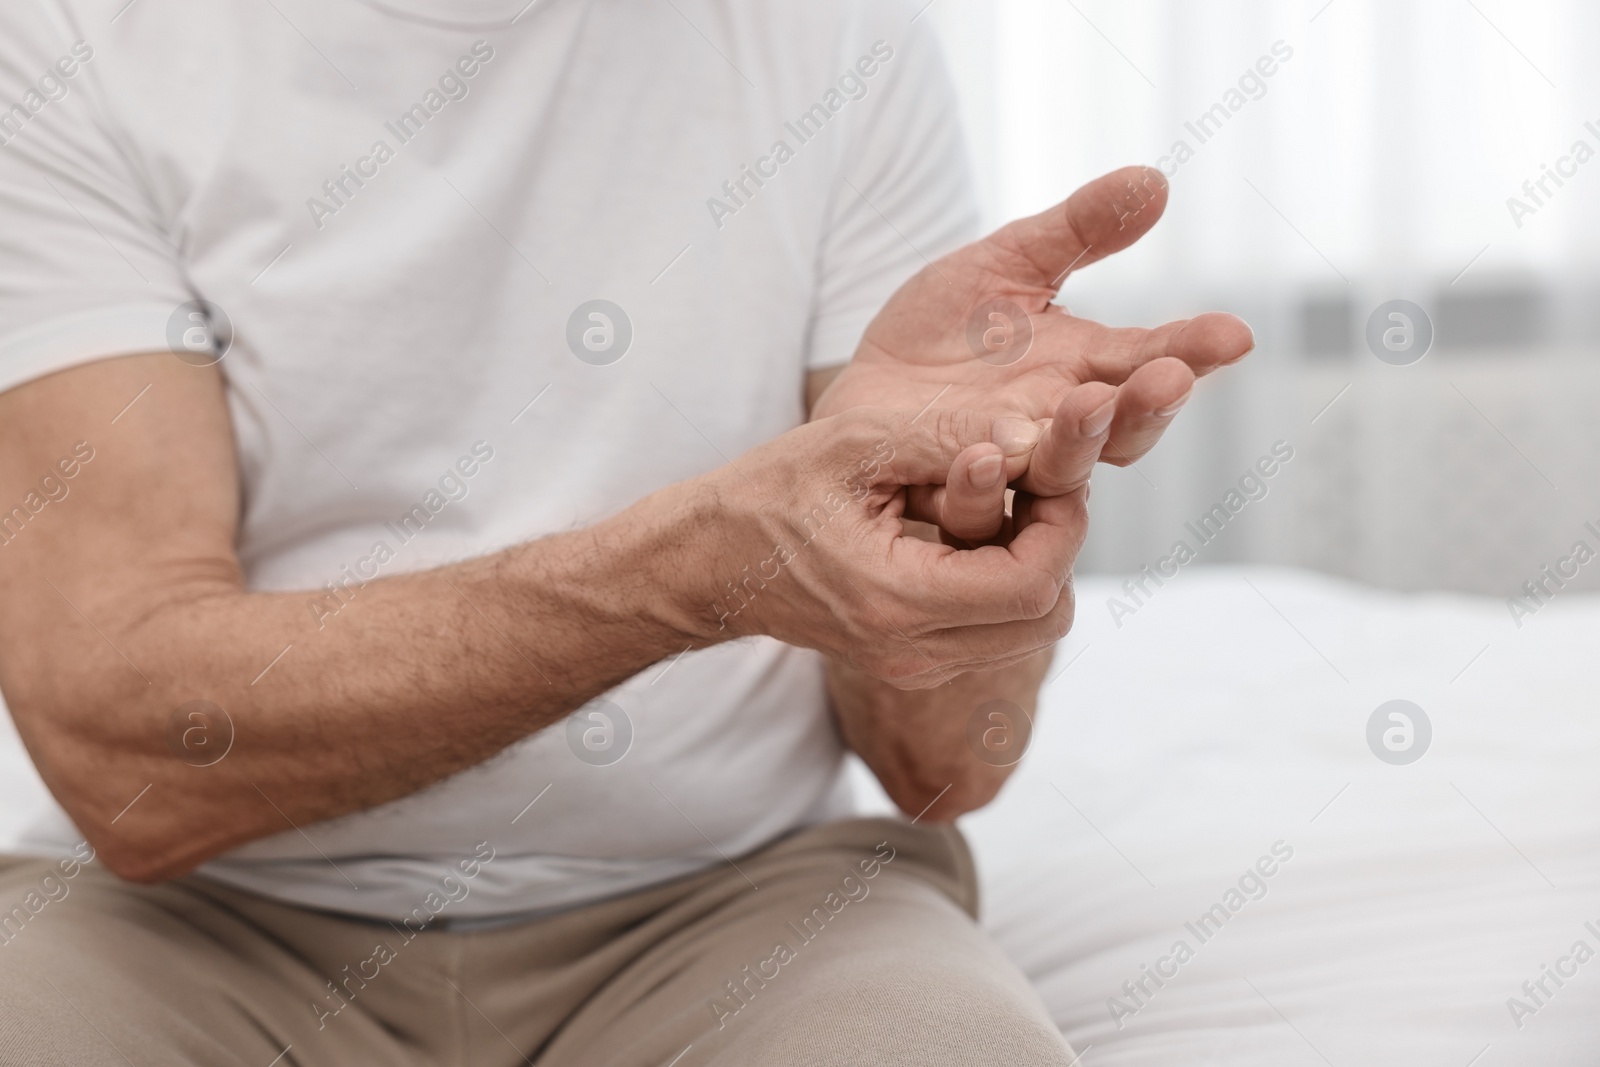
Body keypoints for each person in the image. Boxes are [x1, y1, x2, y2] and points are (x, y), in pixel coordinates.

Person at [0, 1, 1250, 1063]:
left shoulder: (832, 35)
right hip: (200, 922)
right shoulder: (69, 40)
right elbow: (130, 762)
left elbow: (943, 769)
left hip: (741, 903)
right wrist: (703, 563)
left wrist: (957, 530)